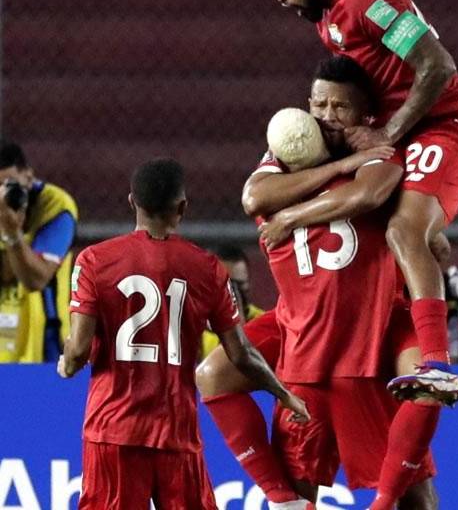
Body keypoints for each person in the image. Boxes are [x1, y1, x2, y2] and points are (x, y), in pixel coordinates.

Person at [261, 0, 458, 402]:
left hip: (450, 127)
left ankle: (436, 363)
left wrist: (386, 134)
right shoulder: (326, 17)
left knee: (402, 231)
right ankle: (416, 309)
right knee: (399, 229)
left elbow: (438, 66)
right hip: (410, 131)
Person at [197, 55, 440, 510]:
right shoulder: (286, 155)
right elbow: (254, 196)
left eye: (338, 108)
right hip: (302, 338)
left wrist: (292, 214)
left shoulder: (382, 152)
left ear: (365, 115)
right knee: (215, 377)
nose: (325, 117)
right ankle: (281, 499)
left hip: (362, 343)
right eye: (318, 104)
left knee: (415, 495)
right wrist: (328, 173)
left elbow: (369, 193)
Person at [58, 158, 309, 510]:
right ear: (182, 207)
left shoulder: (94, 261)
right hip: (175, 431)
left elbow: (79, 349)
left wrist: (67, 364)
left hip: (112, 430)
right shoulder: (207, 268)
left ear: (132, 202)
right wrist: (283, 394)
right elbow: (241, 354)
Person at [0, 141, 78, 362]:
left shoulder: (55, 205)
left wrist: (12, 233)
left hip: (46, 342)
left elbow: (36, 279)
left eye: (9, 185)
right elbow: (5, 274)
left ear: (28, 175)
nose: (3, 196)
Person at [201, 244, 265, 359]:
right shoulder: (192, 325)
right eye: (225, 284)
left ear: (249, 284)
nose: (232, 293)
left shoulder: (262, 322)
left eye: (239, 285)